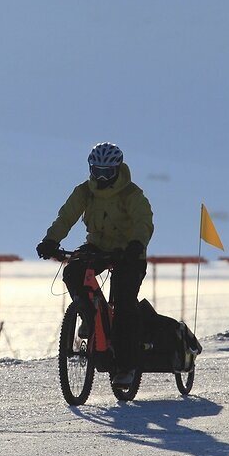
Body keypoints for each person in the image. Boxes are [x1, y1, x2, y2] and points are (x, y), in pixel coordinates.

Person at [36, 142, 154, 386]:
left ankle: (125, 367)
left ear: (117, 170)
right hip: (98, 246)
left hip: (128, 252)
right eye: (96, 171)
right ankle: (90, 317)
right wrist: (50, 240)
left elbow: (144, 222)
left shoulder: (132, 194)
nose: (101, 177)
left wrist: (136, 244)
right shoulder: (84, 192)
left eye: (107, 173)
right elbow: (66, 217)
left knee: (124, 304)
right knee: (73, 272)